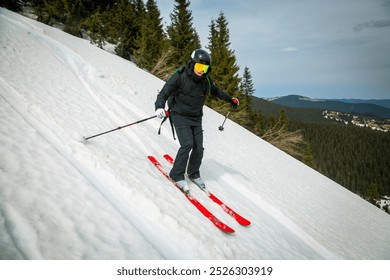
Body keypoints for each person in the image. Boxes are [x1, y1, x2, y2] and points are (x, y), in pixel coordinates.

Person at [155, 48, 239, 194]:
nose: (201, 71)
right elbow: (164, 92)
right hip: (179, 114)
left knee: (198, 147)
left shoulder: (205, 81)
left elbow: (217, 91)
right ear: (192, 64)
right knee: (187, 144)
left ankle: (193, 172)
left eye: (205, 68)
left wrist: (230, 99)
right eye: (199, 67)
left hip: (195, 117)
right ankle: (176, 174)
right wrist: (159, 107)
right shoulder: (180, 76)